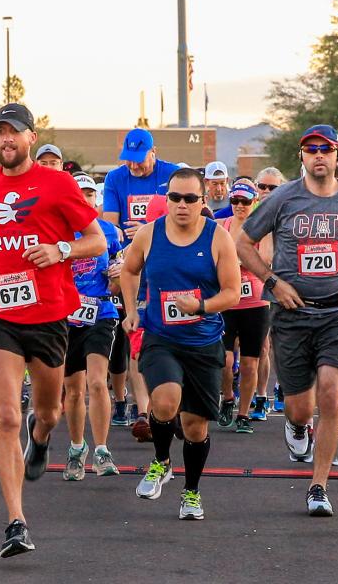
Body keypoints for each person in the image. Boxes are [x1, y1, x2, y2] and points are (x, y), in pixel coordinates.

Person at [0, 103, 106, 558]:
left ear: (31, 138)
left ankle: (42, 439)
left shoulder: (57, 184)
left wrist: (60, 250)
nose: (5, 141)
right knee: (7, 417)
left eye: (13, 133)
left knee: (47, 412)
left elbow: (95, 240)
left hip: (50, 315)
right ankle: (16, 522)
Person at [236, 124, 338, 517]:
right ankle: (298, 427)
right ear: (301, 156)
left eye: (326, 149)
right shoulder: (283, 198)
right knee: (300, 407)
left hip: (337, 314)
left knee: (333, 394)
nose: (319, 155)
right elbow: (243, 243)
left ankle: (318, 486)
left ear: (337, 155)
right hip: (291, 314)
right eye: (310, 149)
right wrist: (271, 281)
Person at [121, 168, 242, 520]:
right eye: (175, 198)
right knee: (164, 400)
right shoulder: (148, 234)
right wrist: (132, 311)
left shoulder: (218, 238)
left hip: (204, 342)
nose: (182, 205)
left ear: (203, 202)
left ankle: (191, 492)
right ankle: (160, 461)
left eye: (190, 198)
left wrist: (201, 306)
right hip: (162, 338)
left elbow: (232, 293)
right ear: (167, 200)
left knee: (194, 427)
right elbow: (129, 271)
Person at [102, 128, 176, 435]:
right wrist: (124, 241)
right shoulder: (115, 178)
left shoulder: (173, 174)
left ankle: (172, 403)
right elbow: (109, 224)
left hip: (168, 264)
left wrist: (147, 229)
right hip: (132, 264)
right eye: (128, 160)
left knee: (170, 334)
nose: (133, 166)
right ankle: (142, 410)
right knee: (135, 333)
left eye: (139, 159)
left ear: (153, 151)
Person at [63, 172, 124, 479]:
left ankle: (101, 450)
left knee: (97, 382)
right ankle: (76, 449)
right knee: (73, 390)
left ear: (96, 200)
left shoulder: (110, 232)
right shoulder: (57, 230)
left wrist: (117, 275)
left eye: (89, 194)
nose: (85, 199)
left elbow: (117, 282)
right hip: (65, 318)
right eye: (79, 194)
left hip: (100, 312)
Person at [217, 182, 273, 432]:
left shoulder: (263, 228)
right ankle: (228, 398)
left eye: (245, 202)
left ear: (255, 203)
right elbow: (215, 256)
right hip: (228, 300)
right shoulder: (223, 226)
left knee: (251, 361)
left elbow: (267, 260)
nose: (239, 206)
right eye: (235, 201)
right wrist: (239, 261)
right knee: (225, 360)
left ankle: (243, 414)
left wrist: (238, 261)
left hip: (256, 302)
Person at [253, 166, 286, 414]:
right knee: (265, 344)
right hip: (260, 287)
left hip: (287, 284)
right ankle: (262, 393)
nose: (265, 191)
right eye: (261, 187)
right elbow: (263, 256)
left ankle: (283, 386)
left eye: (272, 188)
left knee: (279, 343)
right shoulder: (245, 210)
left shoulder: (287, 212)